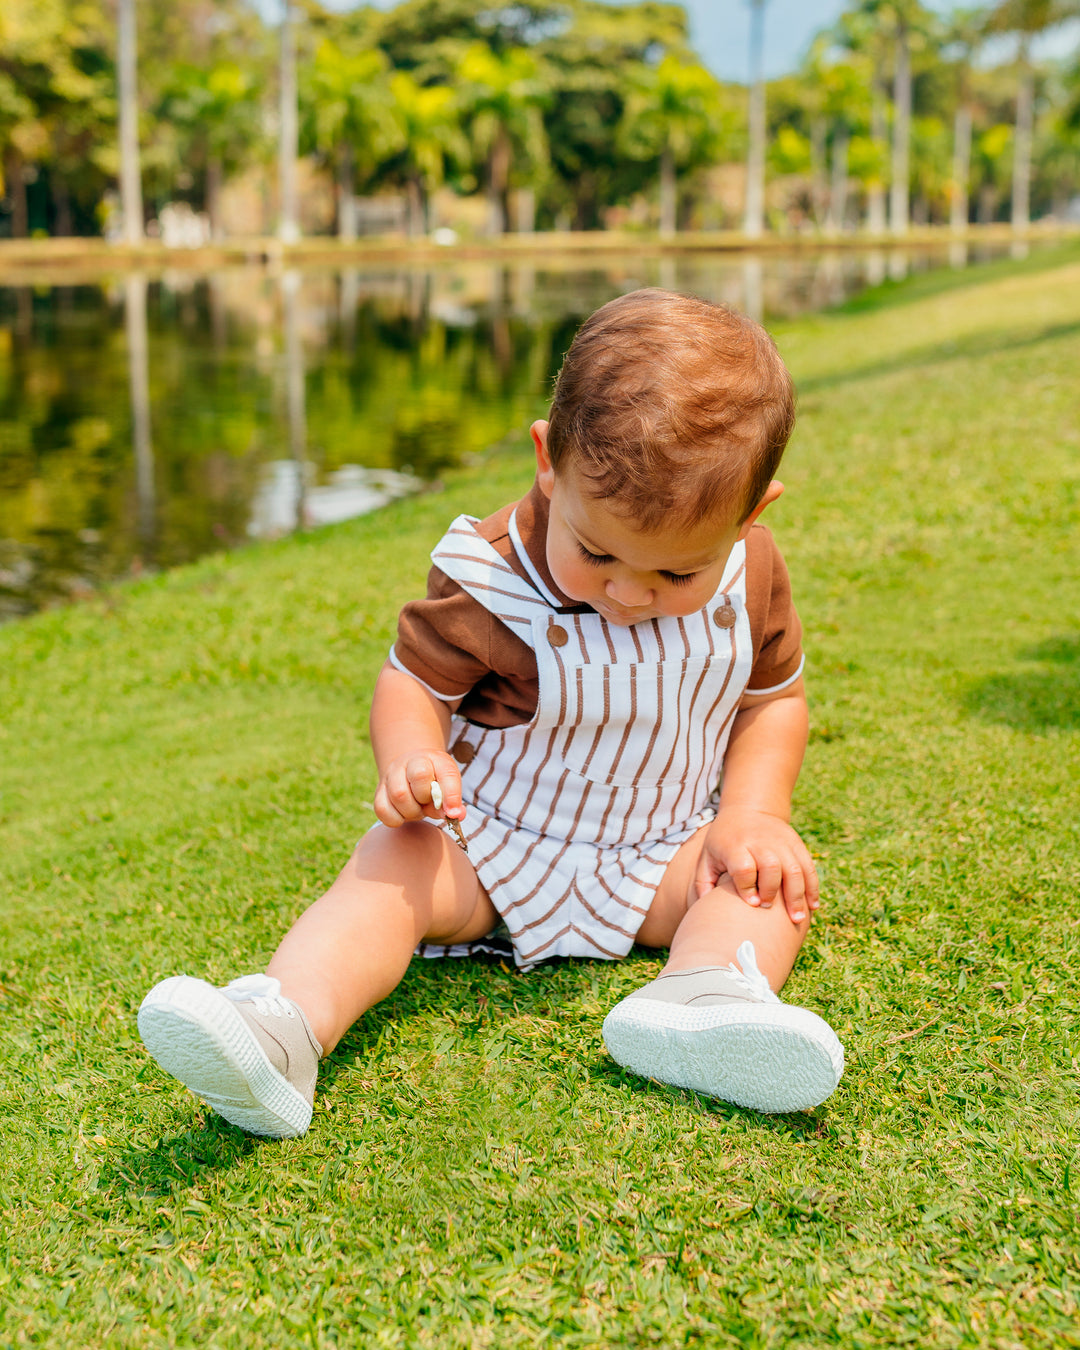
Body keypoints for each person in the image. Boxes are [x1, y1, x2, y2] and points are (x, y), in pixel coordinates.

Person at [138, 289, 844, 1139]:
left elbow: (774, 701)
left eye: (675, 577)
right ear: (550, 460)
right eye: (597, 553)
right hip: (492, 846)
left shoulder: (753, 573)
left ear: (753, 514)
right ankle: (285, 1025)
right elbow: (411, 683)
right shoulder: (492, 574)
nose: (628, 593)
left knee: (765, 884)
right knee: (394, 859)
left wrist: (753, 816)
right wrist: (412, 760)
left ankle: (707, 996)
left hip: (663, 853)